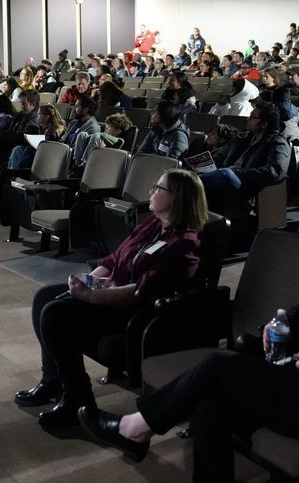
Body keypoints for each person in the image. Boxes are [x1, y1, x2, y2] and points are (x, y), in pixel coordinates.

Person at [77, 195, 299, 480]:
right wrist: (277, 321)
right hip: (296, 371)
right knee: (208, 408)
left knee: (218, 364)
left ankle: (135, 427)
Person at [15, 169, 208, 428]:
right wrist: (89, 279)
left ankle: (78, 399)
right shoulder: (153, 224)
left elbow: (141, 292)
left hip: (132, 312)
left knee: (54, 314)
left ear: (177, 199)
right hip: (109, 292)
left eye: (158, 188)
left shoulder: (184, 245)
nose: (151, 191)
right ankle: (53, 380)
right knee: (44, 296)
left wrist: (92, 296)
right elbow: (115, 259)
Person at [198, 102, 292, 217]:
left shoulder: (277, 143)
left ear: (264, 124)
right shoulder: (242, 138)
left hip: (247, 187)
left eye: (253, 117)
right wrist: (203, 164)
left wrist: (237, 172)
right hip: (224, 180)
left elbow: (274, 172)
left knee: (225, 174)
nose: (248, 119)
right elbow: (219, 156)